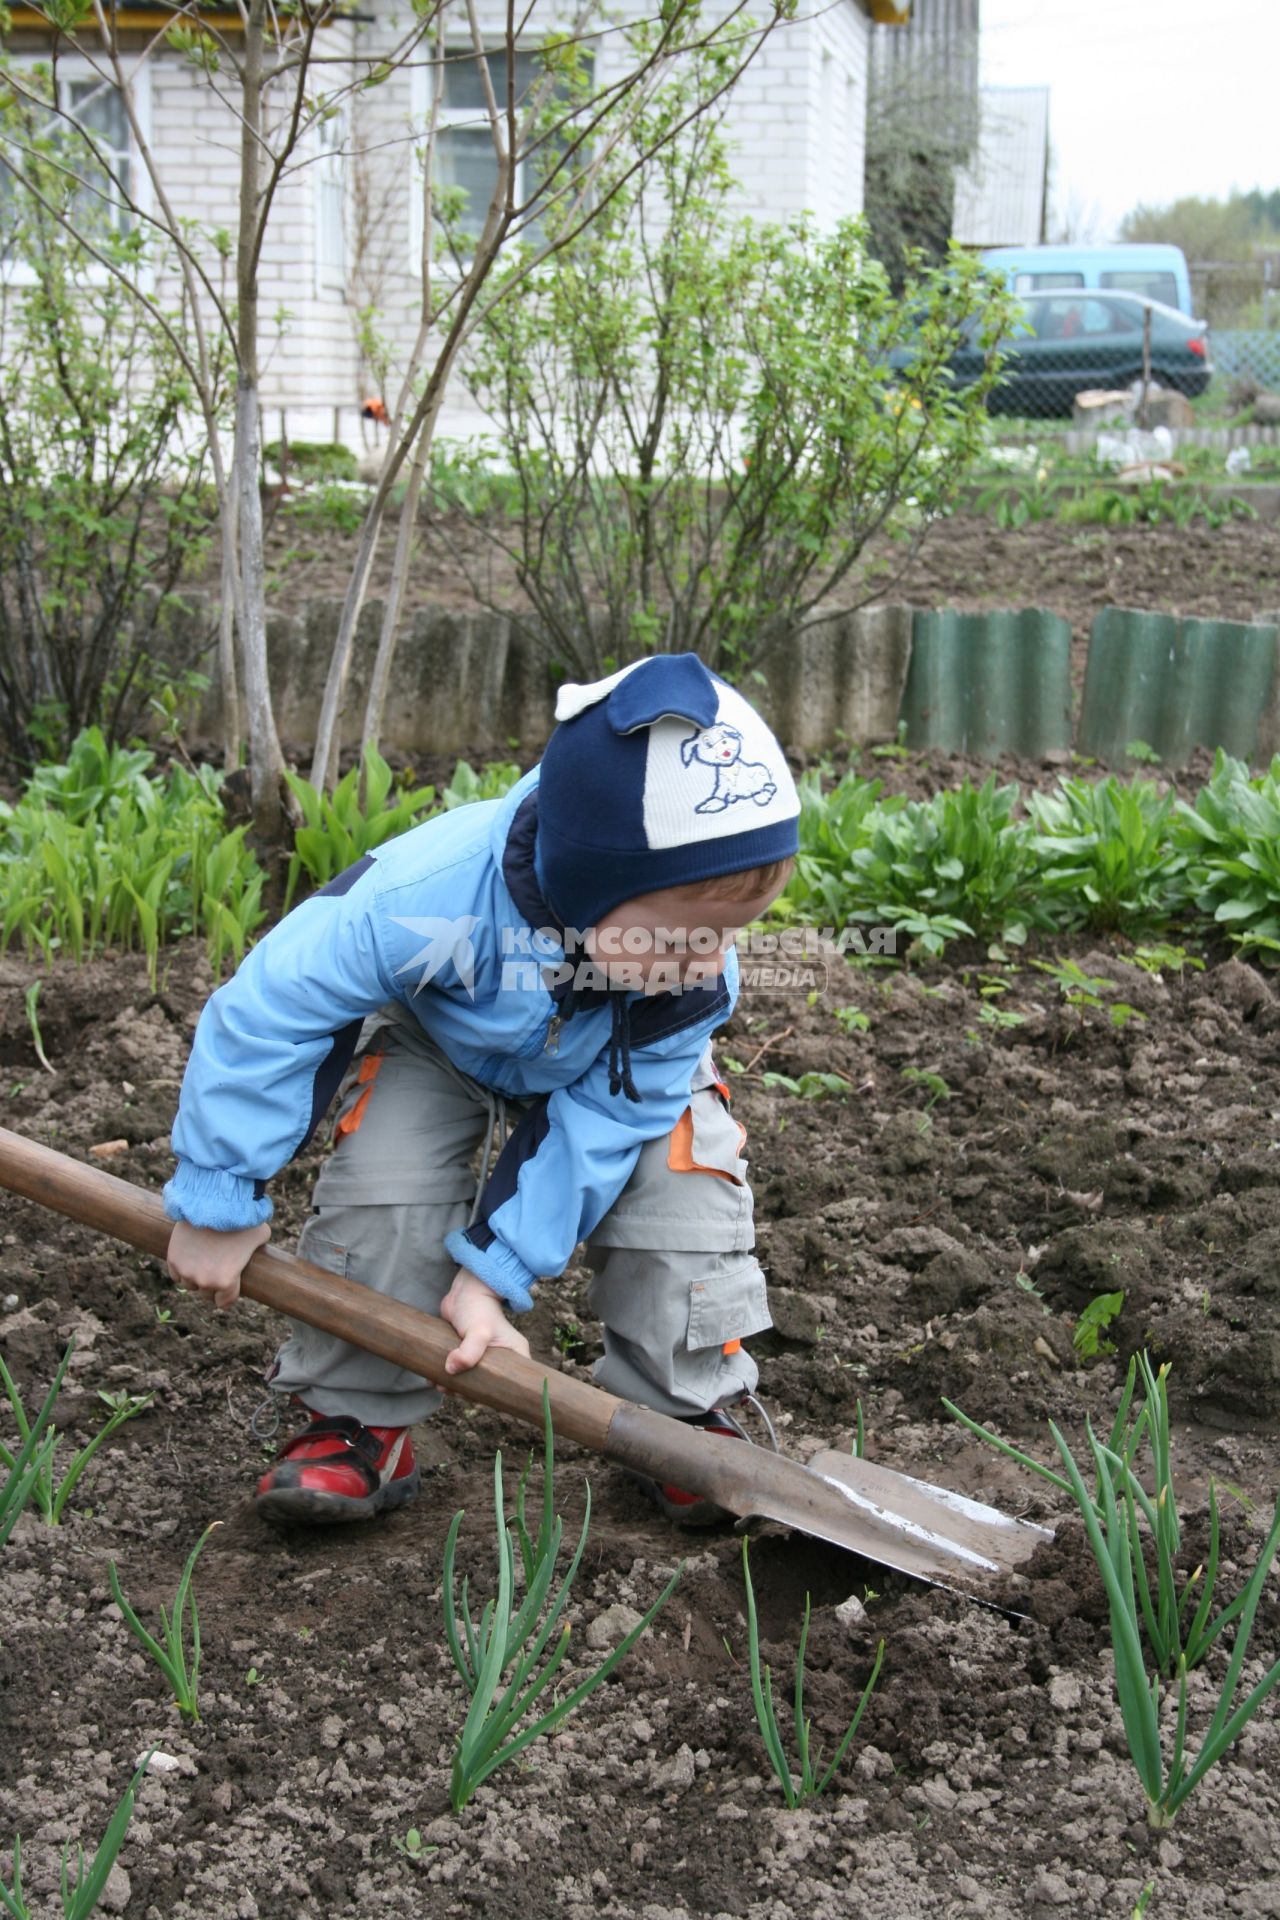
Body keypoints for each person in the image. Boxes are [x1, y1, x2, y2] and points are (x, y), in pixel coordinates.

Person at [163, 653, 799, 1525]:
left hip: (610, 1067)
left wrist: (494, 1273)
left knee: (684, 1188)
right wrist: (218, 1192)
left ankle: (684, 1418)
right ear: (586, 885)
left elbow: (606, 1121)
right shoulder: (426, 896)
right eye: (680, 939)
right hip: (444, 1042)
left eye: (726, 937)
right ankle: (354, 1423)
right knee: (386, 1185)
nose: (706, 963)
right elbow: (270, 1007)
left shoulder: (684, 985)